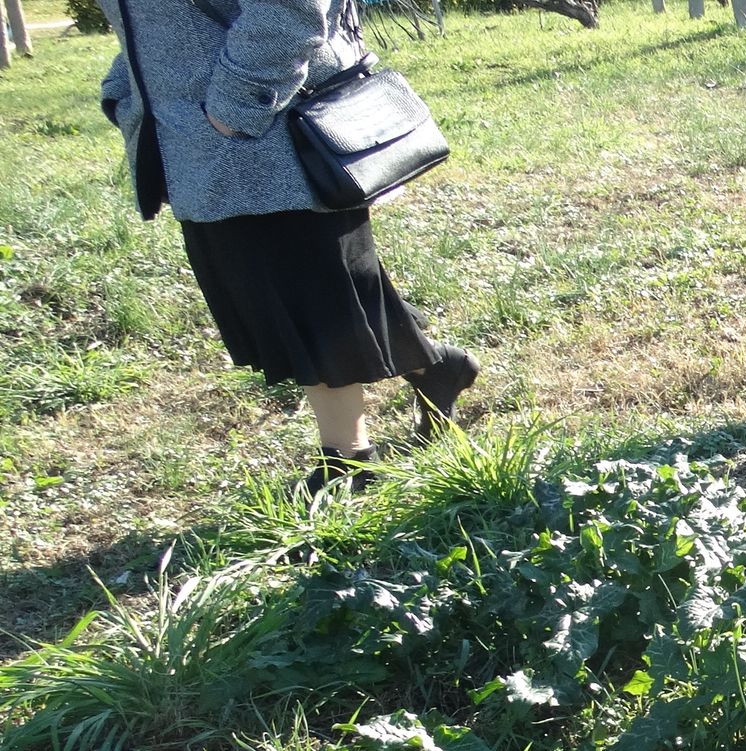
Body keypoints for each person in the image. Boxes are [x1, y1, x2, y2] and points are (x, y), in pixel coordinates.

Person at [98, 0, 476, 490]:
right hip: (192, 139)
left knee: (307, 304)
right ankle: (436, 367)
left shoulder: (240, 113)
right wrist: (126, 90)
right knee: (300, 292)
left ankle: (348, 461)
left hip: (269, 130)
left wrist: (235, 106)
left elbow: (289, 8)